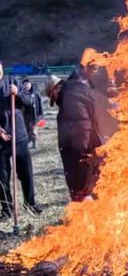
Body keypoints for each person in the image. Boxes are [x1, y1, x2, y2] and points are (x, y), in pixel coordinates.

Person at [48, 65, 103, 202]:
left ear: (57, 88)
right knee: (94, 185)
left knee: (85, 189)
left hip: (81, 153)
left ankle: (88, 213)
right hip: (89, 147)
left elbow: (81, 124)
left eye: (52, 97)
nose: (55, 101)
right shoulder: (75, 89)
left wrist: (82, 157)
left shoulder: (69, 98)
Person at [0, 61, 42, 220]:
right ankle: (6, 209)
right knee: (2, 178)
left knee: (26, 173)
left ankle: (30, 203)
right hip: (1, 142)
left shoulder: (13, 82)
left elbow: (30, 102)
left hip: (19, 137)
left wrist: (17, 93)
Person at [21, 79, 44, 149]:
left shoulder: (36, 94)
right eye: (25, 84)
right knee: (26, 130)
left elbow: (40, 105)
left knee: (33, 130)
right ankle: (28, 142)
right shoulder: (21, 94)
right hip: (25, 115)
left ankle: (35, 143)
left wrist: (41, 115)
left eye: (28, 84)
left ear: (31, 85)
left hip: (34, 115)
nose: (26, 86)